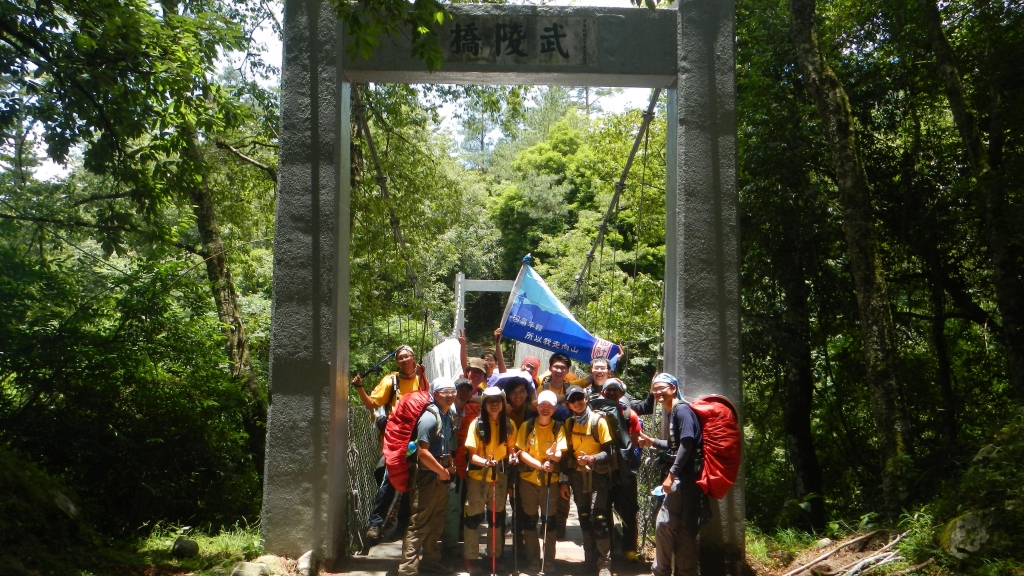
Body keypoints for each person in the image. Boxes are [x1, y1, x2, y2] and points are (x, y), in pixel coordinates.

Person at [351, 345, 428, 548]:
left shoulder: (421, 379)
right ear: (396, 362)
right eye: (400, 358)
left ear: (414, 358)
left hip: (416, 439)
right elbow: (372, 405)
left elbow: (428, 401)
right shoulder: (390, 380)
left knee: (410, 482)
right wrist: (360, 388)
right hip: (394, 440)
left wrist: (424, 377)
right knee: (389, 480)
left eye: (407, 356)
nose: (404, 360)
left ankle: (402, 524)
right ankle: (376, 525)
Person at [638, 373, 703, 576]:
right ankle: (682, 571)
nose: (657, 392)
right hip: (686, 479)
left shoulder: (681, 410)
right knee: (682, 528)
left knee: (665, 524)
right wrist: (653, 441)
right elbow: (676, 444)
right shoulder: (674, 411)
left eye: (662, 388)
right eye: (654, 389)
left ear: (673, 388)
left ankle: (662, 571)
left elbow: (687, 444)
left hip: (684, 478)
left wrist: (671, 475)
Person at [399, 376, 458, 576]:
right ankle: (407, 570)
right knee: (420, 522)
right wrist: (442, 472)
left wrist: (449, 468)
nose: (450, 395)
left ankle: (431, 561)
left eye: (453, 391)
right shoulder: (430, 417)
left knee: (437, 519)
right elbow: (423, 452)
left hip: (440, 476)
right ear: (435, 394)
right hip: (426, 477)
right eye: (445, 392)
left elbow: (446, 445)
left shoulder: (448, 415)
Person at [559, 385, 614, 576]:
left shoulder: (598, 421)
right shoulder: (569, 424)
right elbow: (566, 457)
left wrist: (591, 459)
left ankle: (604, 564)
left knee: (598, 518)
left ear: (586, 399)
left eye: (580, 398)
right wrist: (563, 481)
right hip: (577, 476)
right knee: (583, 516)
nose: (577, 402)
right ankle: (589, 560)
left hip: (597, 475)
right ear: (569, 404)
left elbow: (608, 451)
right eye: (573, 400)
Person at [463, 387, 518, 574]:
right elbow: (472, 456)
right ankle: (471, 556)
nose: (494, 403)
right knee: (474, 518)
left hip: (500, 477)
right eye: (489, 400)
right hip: (478, 477)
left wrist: (512, 458)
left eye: (498, 400)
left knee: (496, 518)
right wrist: (486, 462)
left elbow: (511, 451)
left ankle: (494, 555)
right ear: (484, 404)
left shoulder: (509, 425)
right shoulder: (476, 425)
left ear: (503, 403)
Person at [515, 390, 566, 574]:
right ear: (537, 407)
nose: (545, 408)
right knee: (529, 520)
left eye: (549, 406)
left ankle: (549, 560)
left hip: (549, 482)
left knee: (549, 521)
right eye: (542, 404)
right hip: (528, 480)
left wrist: (554, 456)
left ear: (555, 408)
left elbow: (560, 452)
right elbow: (521, 452)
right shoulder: (526, 426)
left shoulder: (558, 427)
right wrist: (540, 465)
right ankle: (533, 560)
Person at [598, 378, 642, 562]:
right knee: (603, 509)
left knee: (628, 509)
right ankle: (608, 547)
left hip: (623, 470)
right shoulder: (595, 412)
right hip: (603, 468)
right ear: (602, 392)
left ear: (622, 394)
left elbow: (632, 441)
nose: (611, 393)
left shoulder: (629, 414)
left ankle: (629, 548)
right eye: (608, 390)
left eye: (615, 390)